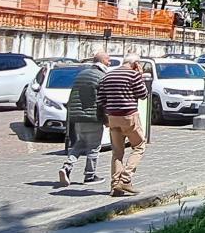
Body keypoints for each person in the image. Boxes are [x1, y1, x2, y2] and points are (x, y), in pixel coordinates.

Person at [96, 58, 150, 196]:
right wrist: (140, 76)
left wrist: (108, 112)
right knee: (139, 146)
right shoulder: (134, 75)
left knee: (117, 152)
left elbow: (100, 99)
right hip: (129, 116)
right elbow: (143, 94)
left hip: (113, 117)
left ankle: (115, 185)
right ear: (135, 63)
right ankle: (125, 179)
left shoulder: (107, 75)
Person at [57, 52, 109, 187]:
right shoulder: (101, 76)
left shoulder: (81, 74)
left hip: (77, 117)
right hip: (93, 117)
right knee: (94, 147)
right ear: (102, 61)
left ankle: (67, 166)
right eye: (108, 60)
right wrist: (106, 118)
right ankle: (90, 176)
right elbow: (102, 100)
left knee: (80, 144)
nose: (109, 63)